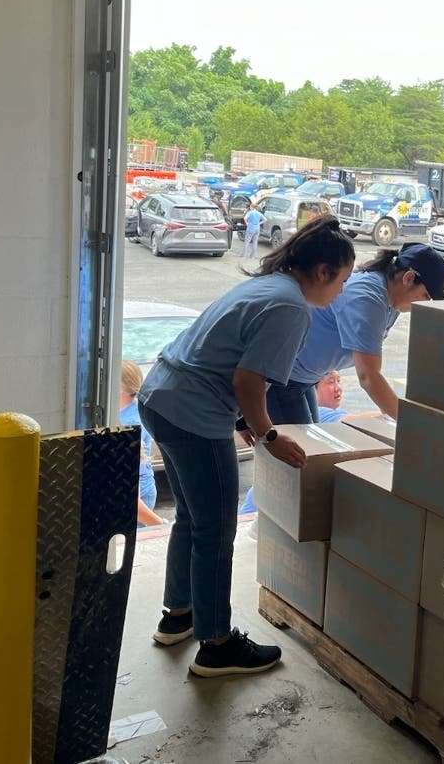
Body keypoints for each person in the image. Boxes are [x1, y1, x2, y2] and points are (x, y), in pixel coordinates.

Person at [137, 216, 355, 678]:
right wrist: (269, 434)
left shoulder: (267, 286)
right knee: (216, 530)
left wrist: (246, 422)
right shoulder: (291, 307)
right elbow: (248, 379)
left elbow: (226, 356)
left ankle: (179, 615)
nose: (339, 293)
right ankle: (216, 645)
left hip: (161, 396)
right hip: (193, 413)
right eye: (341, 281)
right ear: (321, 272)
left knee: (194, 520)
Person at [265, 242, 444, 424]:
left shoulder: (393, 302)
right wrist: (412, 424)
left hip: (306, 378)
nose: (425, 304)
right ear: (408, 278)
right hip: (283, 378)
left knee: (312, 440)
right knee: (299, 449)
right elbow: (368, 376)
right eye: (426, 296)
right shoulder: (367, 297)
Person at [236, 369, 350, 516]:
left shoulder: (317, 415)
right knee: (301, 466)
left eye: (339, 381)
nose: (337, 388)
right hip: (259, 509)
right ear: (317, 389)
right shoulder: (324, 414)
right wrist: (267, 435)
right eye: (330, 382)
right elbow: (245, 379)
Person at [120, 360, 163, 529]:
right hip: (144, 490)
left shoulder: (128, 427)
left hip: (139, 500)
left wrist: (160, 526)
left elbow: (129, 496)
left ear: (121, 389)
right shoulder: (137, 407)